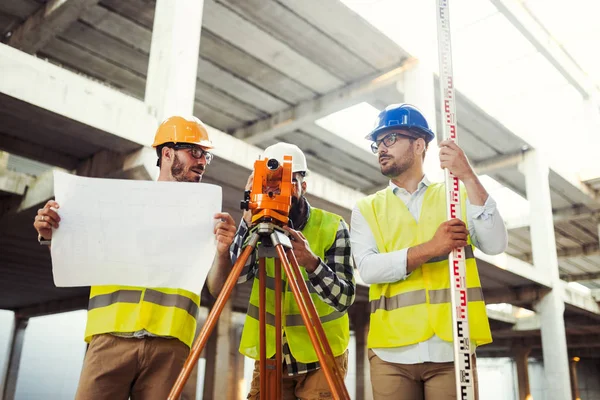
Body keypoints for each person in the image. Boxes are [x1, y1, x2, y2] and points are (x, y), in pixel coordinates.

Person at [33, 116, 237, 400]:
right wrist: (50, 233)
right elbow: (79, 255)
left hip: (169, 345)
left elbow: (218, 288)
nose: (202, 161)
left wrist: (223, 251)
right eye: (195, 152)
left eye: (206, 155)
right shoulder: (117, 202)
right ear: (167, 153)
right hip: (110, 337)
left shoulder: (209, 218)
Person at [350, 104, 508, 400]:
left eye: (390, 139)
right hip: (391, 353)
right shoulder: (366, 208)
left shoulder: (455, 194)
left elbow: (496, 243)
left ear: (419, 144)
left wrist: (469, 177)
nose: (381, 149)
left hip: (452, 347)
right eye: (378, 143)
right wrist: (432, 248)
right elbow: (369, 269)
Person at [212, 142, 356, 400]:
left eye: (288, 181)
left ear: (304, 185)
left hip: (321, 355)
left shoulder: (333, 226)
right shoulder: (255, 226)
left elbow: (344, 298)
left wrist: (312, 263)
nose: (278, 189)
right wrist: (248, 218)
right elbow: (238, 275)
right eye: (269, 182)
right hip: (271, 354)